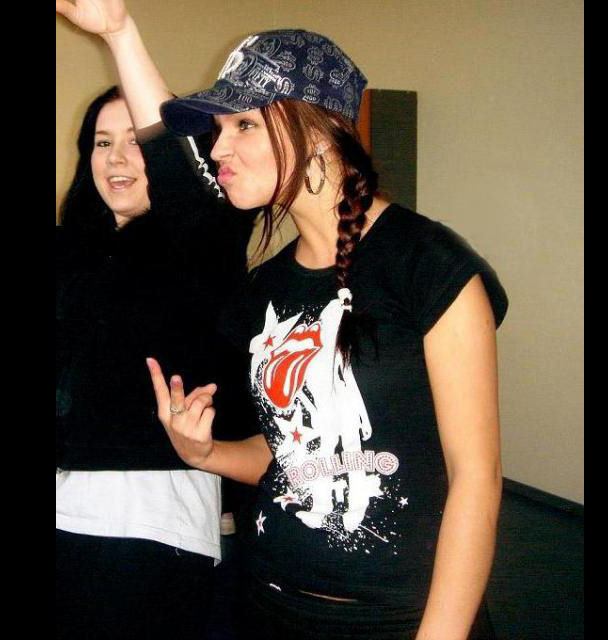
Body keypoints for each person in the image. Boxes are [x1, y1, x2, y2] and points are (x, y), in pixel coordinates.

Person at [144, 27, 509, 640]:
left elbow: (477, 476)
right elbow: (290, 455)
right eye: (218, 129)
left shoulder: (428, 266)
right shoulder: (264, 291)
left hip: (397, 621)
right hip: (268, 607)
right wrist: (205, 454)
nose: (218, 148)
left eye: (244, 125)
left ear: (319, 131)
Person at [55, 12, 256, 637]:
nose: (118, 158)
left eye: (134, 141)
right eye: (101, 142)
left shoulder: (201, 244)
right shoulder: (71, 254)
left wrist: (119, 33)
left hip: (150, 523)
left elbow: (180, 161)